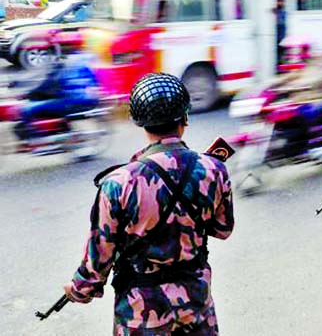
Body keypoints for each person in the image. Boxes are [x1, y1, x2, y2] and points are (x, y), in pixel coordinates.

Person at [63, 73, 234, 335]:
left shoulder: (118, 183)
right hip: (196, 306)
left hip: (141, 315)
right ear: (185, 118)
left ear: (139, 123)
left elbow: (99, 259)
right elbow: (223, 229)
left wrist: (79, 289)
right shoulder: (214, 169)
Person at [13, 55, 99, 141]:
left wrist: (28, 94)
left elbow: (47, 87)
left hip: (71, 102)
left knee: (28, 109)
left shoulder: (60, 71)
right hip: (87, 100)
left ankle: (35, 139)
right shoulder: (81, 66)